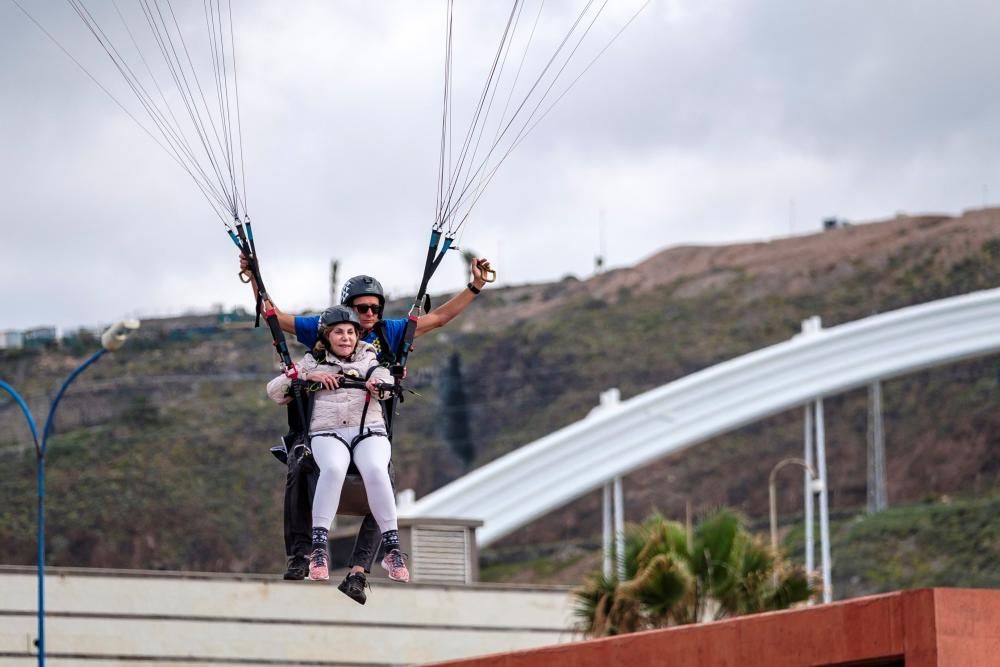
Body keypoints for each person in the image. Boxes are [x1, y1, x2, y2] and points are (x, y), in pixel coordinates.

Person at [243, 256, 493, 601]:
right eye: (362, 308)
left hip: (370, 421)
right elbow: (275, 317)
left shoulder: (387, 333)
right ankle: (303, 554)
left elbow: (438, 318)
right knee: (301, 470)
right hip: (322, 420)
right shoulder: (326, 329)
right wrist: (253, 275)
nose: (369, 315)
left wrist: (476, 285)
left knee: (381, 481)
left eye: (375, 308)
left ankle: (359, 571)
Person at [266, 306, 410, 583]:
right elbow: (274, 390)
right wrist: (308, 376)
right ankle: (318, 549)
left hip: (369, 430)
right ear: (327, 337)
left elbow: (386, 379)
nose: (345, 338)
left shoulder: (371, 361)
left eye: (350, 333)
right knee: (332, 469)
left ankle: (392, 549)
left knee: (377, 470)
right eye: (338, 333)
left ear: (358, 336)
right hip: (327, 431)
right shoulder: (311, 363)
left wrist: (377, 385)